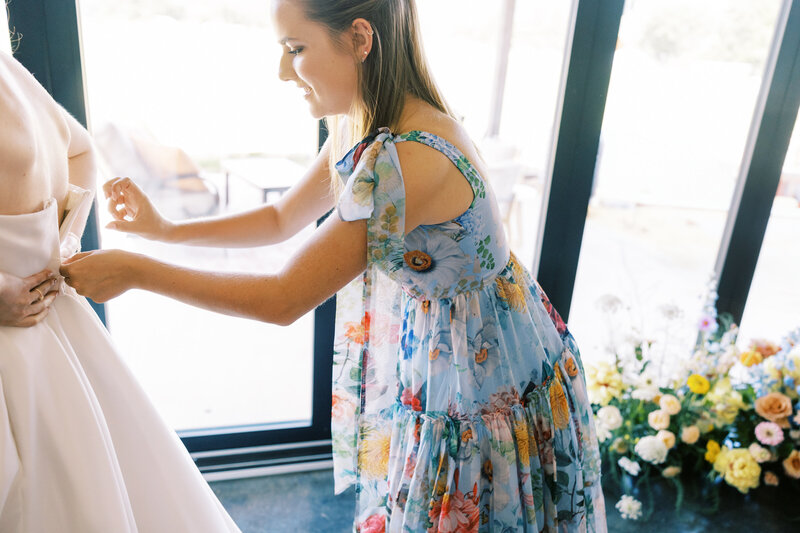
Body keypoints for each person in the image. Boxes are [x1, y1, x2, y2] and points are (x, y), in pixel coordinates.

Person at [63, 0, 607, 531]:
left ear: (360, 39)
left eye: (295, 48)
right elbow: (281, 218)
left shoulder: (407, 159)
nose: (282, 71)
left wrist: (138, 271)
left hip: (485, 377)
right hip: (459, 352)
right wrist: (165, 231)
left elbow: (284, 298)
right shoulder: (368, 124)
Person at [0, 50, 241, 532]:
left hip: (35, 324)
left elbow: (81, 147)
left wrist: (61, 246)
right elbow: (81, 148)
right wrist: (56, 244)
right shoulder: (10, 70)